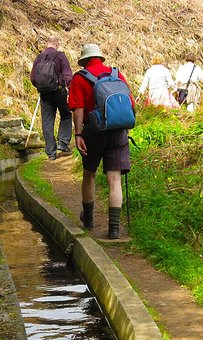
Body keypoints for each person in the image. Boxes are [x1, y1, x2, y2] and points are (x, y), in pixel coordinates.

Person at [68, 44, 135, 239]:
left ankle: (88, 221)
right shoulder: (116, 74)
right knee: (114, 179)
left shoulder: (80, 78)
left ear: (84, 61)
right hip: (118, 131)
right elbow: (130, 103)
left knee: (89, 174)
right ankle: (114, 229)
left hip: (93, 132)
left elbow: (78, 109)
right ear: (100, 58)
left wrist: (78, 135)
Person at [30, 36, 73, 160]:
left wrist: (40, 87)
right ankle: (63, 143)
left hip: (44, 94)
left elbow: (33, 77)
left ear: (47, 44)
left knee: (47, 121)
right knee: (65, 114)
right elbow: (67, 75)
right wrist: (71, 90)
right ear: (57, 44)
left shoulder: (39, 57)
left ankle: (51, 153)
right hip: (59, 91)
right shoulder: (60, 56)